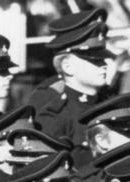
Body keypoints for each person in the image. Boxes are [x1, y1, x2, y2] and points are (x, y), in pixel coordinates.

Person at [29, 18, 113, 165]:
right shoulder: (55, 115)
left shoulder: (112, 106)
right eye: (94, 60)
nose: (104, 65)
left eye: (103, 59)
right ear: (68, 67)